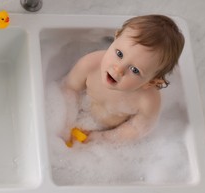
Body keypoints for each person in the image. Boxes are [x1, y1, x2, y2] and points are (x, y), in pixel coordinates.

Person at [61, 15, 185, 147]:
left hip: (106, 133)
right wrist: (66, 122)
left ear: (152, 82)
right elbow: (70, 89)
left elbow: (136, 129)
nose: (118, 69)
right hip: (78, 113)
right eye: (119, 54)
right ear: (116, 37)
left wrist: (100, 137)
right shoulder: (90, 64)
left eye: (135, 70)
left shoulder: (148, 102)